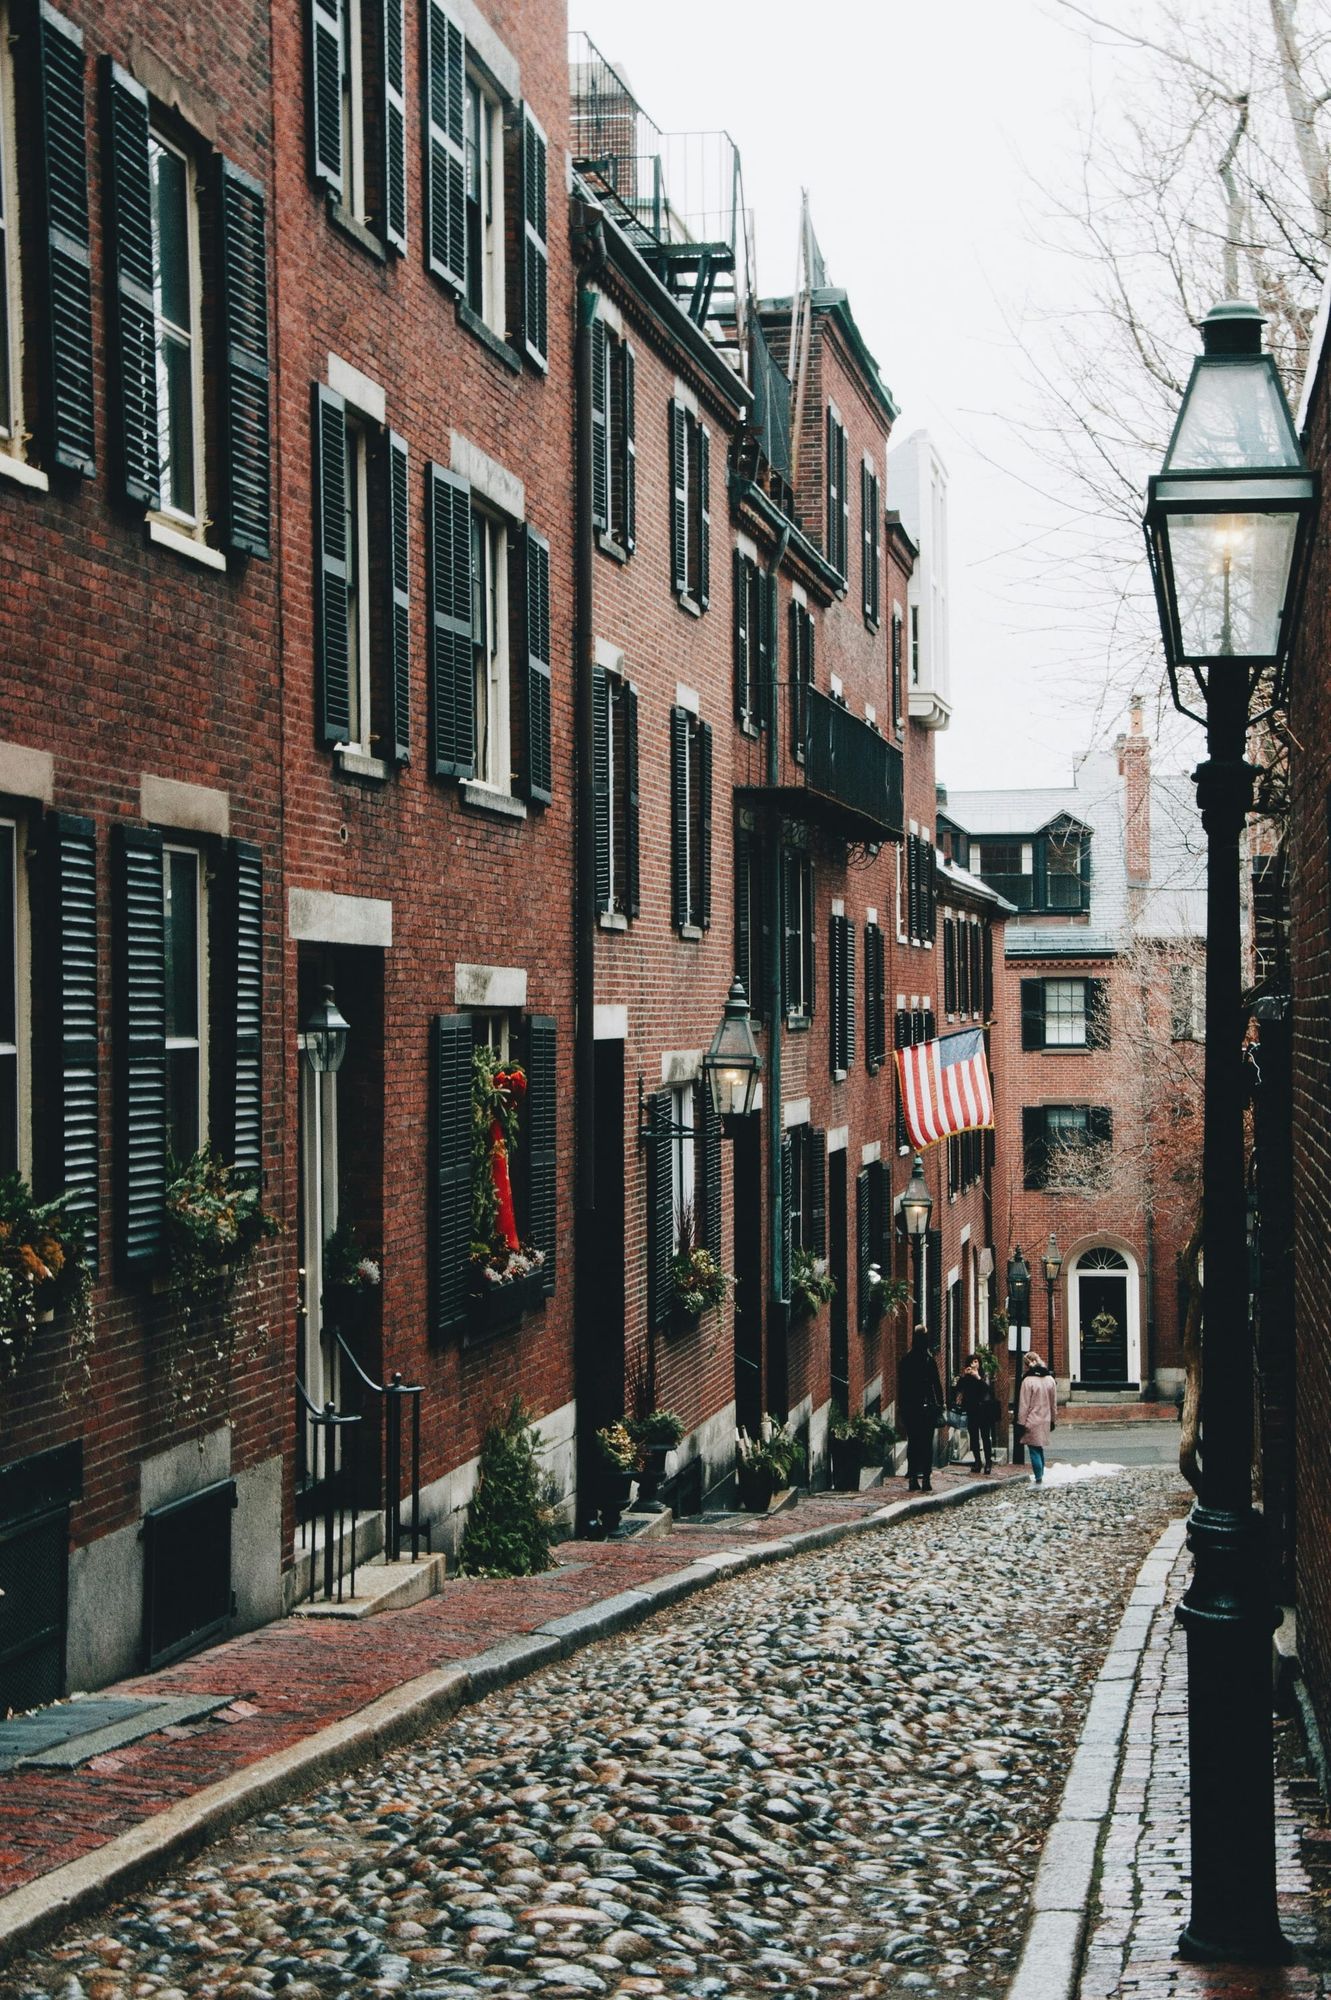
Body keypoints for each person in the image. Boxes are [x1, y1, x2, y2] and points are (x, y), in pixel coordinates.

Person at [899, 1324, 944, 1492]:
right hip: (926, 1408)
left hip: (910, 1408)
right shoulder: (929, 1360)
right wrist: (941, 1403)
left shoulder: (906, 1360)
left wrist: (901, 1408)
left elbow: (902, 1386)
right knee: (926, 1443)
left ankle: (912, 1479)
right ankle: (926, 1478)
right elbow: (936, 1384)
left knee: (913, 1443)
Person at [1017, 1351, 1058, 1485]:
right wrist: (1053, 1419)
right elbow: (1053, 1403)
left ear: (1026, 1365)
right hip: (1045, 1418)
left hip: (1031, 1419)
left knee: (1033, 1449)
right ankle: (1041, 1473)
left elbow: (1024, 1405)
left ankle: (1038, 1476)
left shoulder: (1027, 1381)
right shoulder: (1050, 1380)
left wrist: (1020, 1422)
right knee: (1039, 1447)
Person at [950, 1354, 991, 1473]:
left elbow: (987, 1390)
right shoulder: (967, 1377)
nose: (975, 1364)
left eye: (976, 1361)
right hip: (972, 1411)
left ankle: (988, 1463)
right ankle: (977, 1462)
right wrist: (963, 1376)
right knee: (973, 1437)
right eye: (972, 1362)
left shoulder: (983, 1375)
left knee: (985, 1437)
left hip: (984, 1411)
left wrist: (978, 1377)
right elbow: (957, 1390)